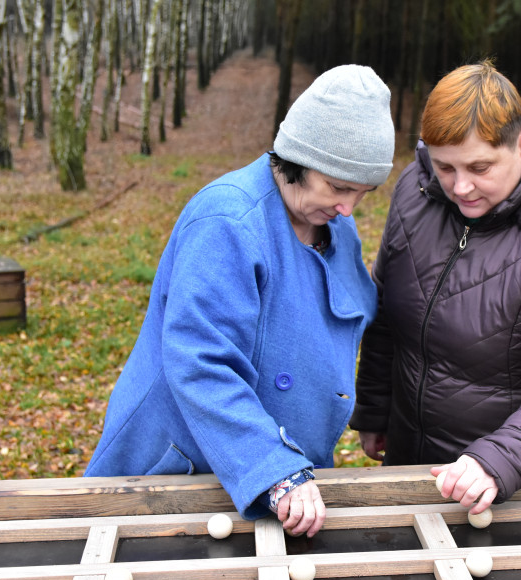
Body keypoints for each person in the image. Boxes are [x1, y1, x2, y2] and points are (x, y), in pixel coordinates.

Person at [85, 65, 395, 538]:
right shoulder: (228, 221)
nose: (349, 208)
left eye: (362, 193)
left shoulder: (335, 225)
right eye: (339, 187)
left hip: (286, 472)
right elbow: (201, 362)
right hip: (186, 472)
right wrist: (272, 467)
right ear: (297, 158)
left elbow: (357, 316)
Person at [351, 61, 521, 514]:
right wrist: (376, 411)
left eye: (480, 167)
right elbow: (388, 311)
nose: (461, 186)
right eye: (444, 167)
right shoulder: (416, 193)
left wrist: (498, 460)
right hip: (415, 470)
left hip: (514, 485)